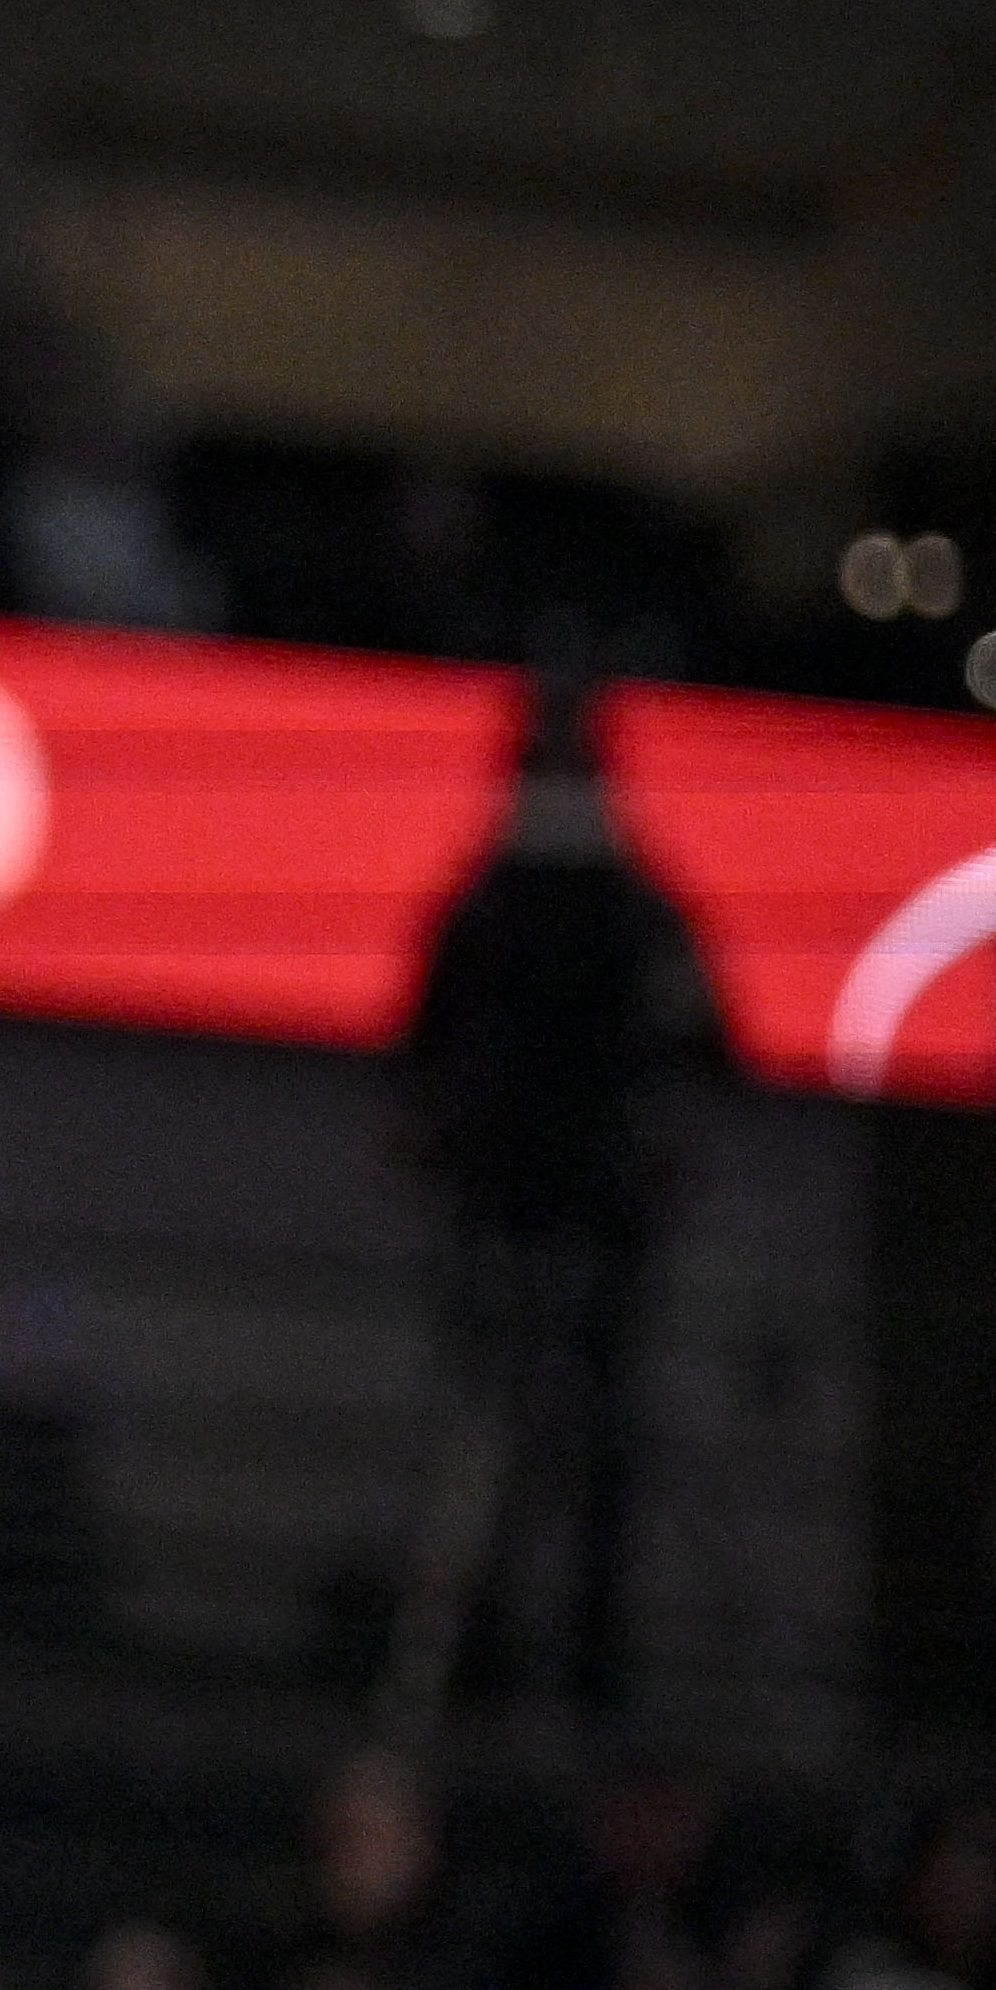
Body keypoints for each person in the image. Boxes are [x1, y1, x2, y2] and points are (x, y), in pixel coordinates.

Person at [388, 670, 717, 1724]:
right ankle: (478, 1669)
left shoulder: (630, 911)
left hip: (596, 1222)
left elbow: (707, 1049)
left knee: (596, 1446)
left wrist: (662, 1152)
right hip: (503, 1216)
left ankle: (583, 1670)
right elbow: (420, 1051)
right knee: (490, 1443)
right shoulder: (487, 909)